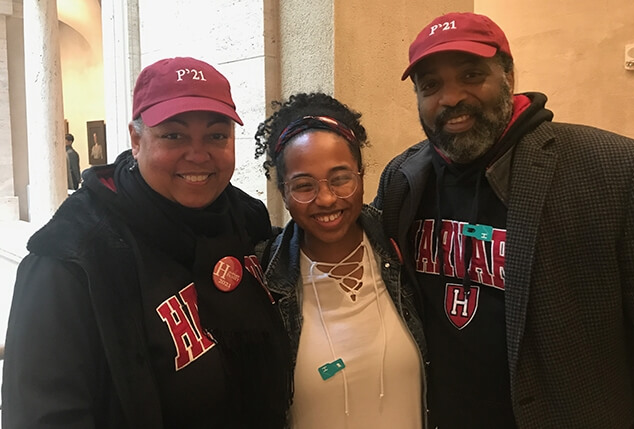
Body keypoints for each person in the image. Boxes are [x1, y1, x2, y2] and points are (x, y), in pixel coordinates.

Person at [373, 11, 634, 429]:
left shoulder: (614, 170)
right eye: (431, 86)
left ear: (509, 76)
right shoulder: (400, 181)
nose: (451, 98)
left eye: (471, 75)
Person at [2, 57, 292, 428]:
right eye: (174, 135)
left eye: (217, 135)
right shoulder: (73, 257)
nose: (199, 154)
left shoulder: (244, 218)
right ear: (137, 139)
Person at [255, 92, 428, 429]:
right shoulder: (265, 280)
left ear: (361, 175)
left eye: (340, 178)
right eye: (303, 185)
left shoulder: (404, 250)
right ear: (283, 193)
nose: (326, 199)